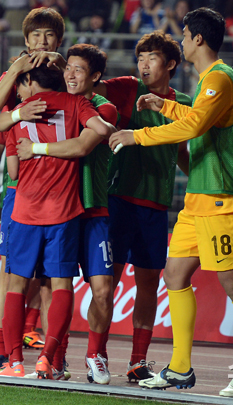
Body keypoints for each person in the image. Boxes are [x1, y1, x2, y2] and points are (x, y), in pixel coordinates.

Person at [109, 8, 233, 399]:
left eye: (183, 35)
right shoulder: (210, 80)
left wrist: (135, 136)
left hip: (223, 199)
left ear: (197, 40)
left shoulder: (220, 78)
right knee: (174, 276)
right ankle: (179, 368)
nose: (180, 40)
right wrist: (164, 107)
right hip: (197, 198)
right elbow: (196, 116)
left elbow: (194, 126)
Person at [0, 64, 115, 378]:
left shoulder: (19, 111)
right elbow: (102, 130)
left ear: (31, 82)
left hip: (25, 212)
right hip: (64, 212)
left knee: (16, 285)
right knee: (61, 285)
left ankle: (15, 362)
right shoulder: (76, 104)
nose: (18, 91)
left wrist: (23, 128)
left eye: (21, 84)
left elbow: (12, 171)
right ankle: (48, 359)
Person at [93, 30, 191, 383]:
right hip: (119, 199)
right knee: (109, 280)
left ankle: (138, 360)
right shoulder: (128, 88)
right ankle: (97, 355)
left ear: (171, 65)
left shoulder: (184, 103)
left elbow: (181, 151)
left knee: (149, 281)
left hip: (156, 205)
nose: (144, 65)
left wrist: (200, 180)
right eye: (140, 58)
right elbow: (93, 86)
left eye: (151, 58)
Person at [0, 7, 66, 375]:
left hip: (62, 186)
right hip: (20, 186)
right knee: (11, 270)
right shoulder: (15, 74)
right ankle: (2, 351)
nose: (42, 42)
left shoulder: (63, 72)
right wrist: (16, 69)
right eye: (36, 35)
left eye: (49, 35)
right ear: (26, 39)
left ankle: (53, 357)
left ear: (58, 40)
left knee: (51, 279)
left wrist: (64, 66)